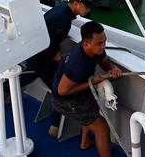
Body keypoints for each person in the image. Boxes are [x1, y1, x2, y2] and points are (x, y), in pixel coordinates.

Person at [0, 0, 94, 137]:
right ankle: (55, 127)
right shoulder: (63, 20)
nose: (89, 9)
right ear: (77, 4)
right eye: (87, 6)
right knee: (59, 89)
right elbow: (44, 40)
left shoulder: (63, 10)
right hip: (41, 56)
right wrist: (54, 55)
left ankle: (0, 91)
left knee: (31, 74)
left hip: (37, 53)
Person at [52, 21, 122, 156]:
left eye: (104, 41)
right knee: (101, 128)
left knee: (92, 108)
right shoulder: (77, 64)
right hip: (63, 101)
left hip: (78, 91)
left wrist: (113, 69)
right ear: (86, 44)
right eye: (100, 44)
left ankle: (85, 143)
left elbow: (104, 61)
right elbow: (63, 91)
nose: (103, 46)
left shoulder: (96, 49)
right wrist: (93, 82)